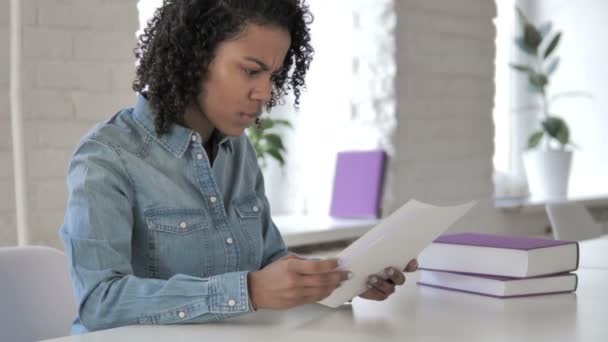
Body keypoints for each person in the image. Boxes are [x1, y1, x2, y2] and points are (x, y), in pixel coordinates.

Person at [60, 0, 417, 334]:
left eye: (273, 76)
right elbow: (99, 302)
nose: (264, 93)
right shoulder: (107, 156)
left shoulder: (237, 149)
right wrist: (249, 290)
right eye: (250, 71)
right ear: (193, 58)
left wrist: (343, 278)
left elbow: (269, 264)